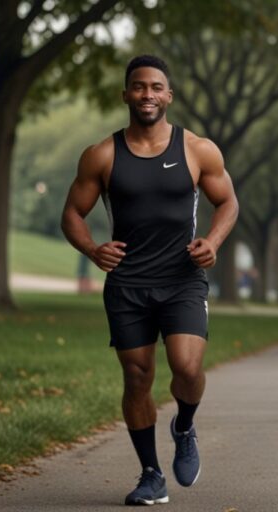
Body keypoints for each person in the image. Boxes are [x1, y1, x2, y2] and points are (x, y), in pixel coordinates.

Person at [61, 55, 238, 506]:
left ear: (169, 96)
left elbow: (228, 203)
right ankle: (150, 474)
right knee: (137, 377)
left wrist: (213, 242)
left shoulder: (198, 150)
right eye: (139, 87)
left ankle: (184, 424)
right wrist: (92, 248)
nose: (147, 95)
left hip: (183, 278)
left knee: (187, 366)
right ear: (126, 95)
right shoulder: (102, 154)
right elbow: (72, 214)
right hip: (128, 284)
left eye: (156, 87)